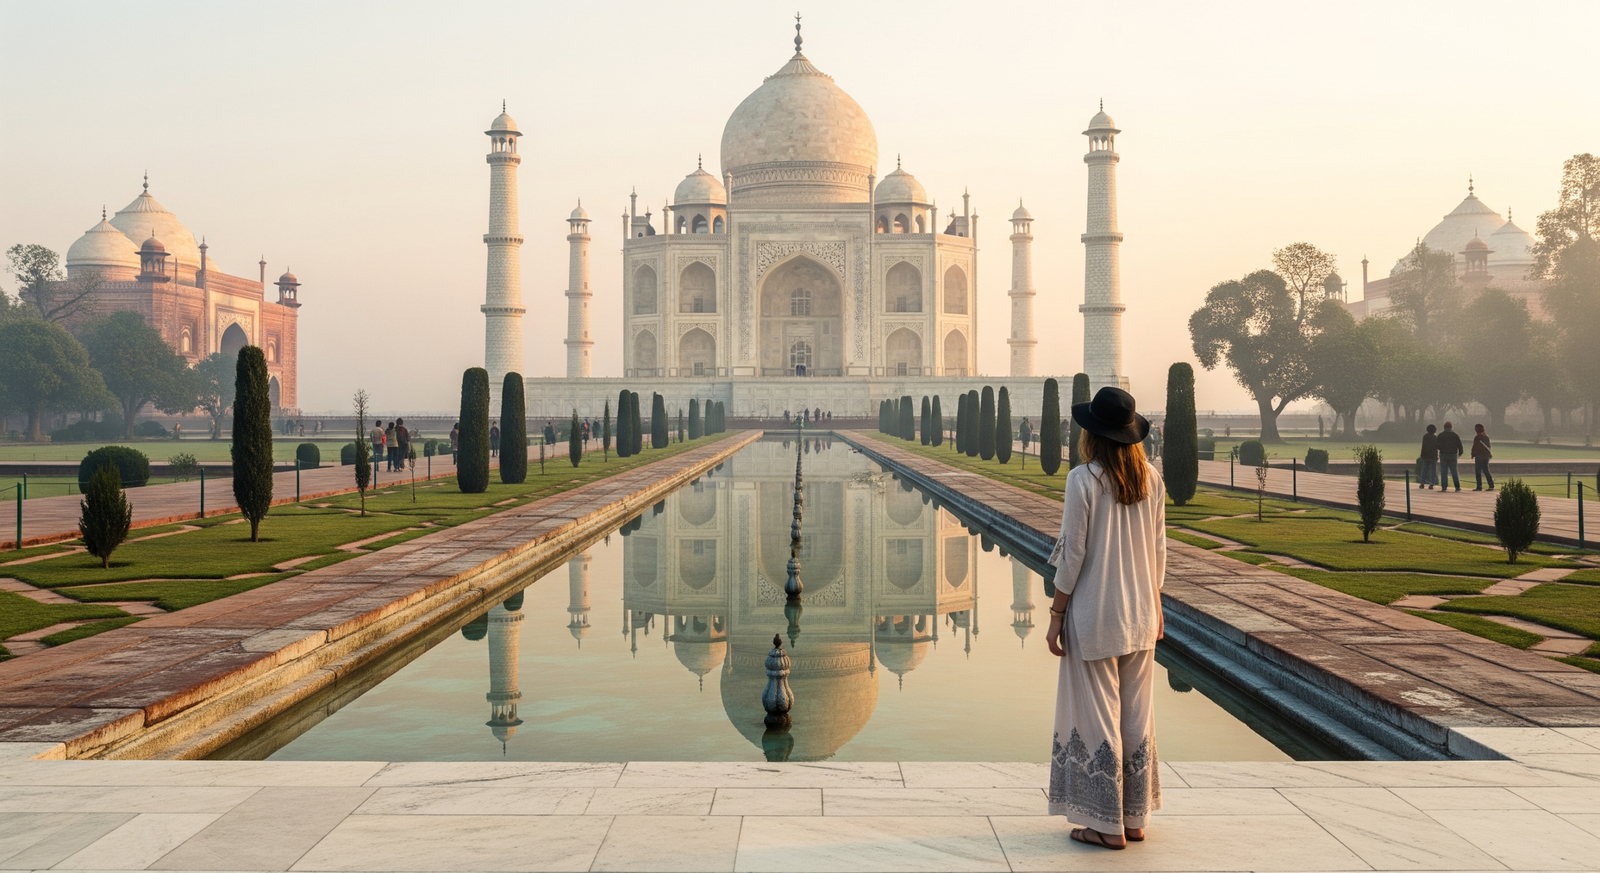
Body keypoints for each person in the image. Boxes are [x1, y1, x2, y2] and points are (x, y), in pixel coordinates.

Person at [1046, 387, 1164, 850]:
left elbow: (1072, 556)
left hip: (1096, 615)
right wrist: (1156, 607)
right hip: (1140, 614)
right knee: (1136, 717)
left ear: (1092, 434)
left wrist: (1057, 614)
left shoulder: (1084, 479)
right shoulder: (1152, 478)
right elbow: (1158, 553)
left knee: (1098, 719)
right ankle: (1134, 820)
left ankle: (1105, 826)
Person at [1437, 422, 1464, 492]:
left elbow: (1436, 445)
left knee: (1443, 472)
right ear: (1451, 427)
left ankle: (1444, 487)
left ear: (1444, 427)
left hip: (1444, 454)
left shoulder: (1441, 435)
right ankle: (1457, 487)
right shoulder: (1455, 435)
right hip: (1453, 454)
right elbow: (1459, 445)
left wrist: (1441, 448)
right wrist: (1460, 452)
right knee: (1454, 472)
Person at [1472, 424, 1494, 491]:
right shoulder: (1487, 437)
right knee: (1486, 470)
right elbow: (1489, 446)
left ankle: (1479, 486)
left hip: (1479, 455)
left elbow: (1475, 447)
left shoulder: (1477, 437)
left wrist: (1473, 454)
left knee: (1478, 471)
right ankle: (1491, 485)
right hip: (1486, 455)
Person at [1419, 424, 1439, 490]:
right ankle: (1431, 484)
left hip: (1426, 455)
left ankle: (1422, 483)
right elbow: (1437, 447)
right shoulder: (1435, 437)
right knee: (1433, 471)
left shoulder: (1425, 436)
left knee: (1424, 470)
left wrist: (1421, 455)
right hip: (1433, 456)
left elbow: (1423, 446)